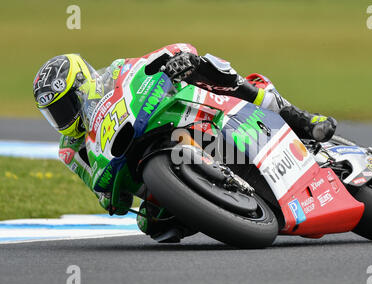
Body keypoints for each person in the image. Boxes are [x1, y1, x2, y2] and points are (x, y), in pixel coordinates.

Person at [32, 43, 337, 242]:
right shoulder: (70, 150)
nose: (62, 117)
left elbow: (159, 57)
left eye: (65, 105)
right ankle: (219, 204)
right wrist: (110, 200)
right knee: (154, 228)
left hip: (171, 118)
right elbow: (102, 191)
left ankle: (302, 119)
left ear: (83, 85)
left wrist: (177, 61)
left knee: (209, 68)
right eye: (53, 113)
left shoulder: (114, 71)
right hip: (137, 167)